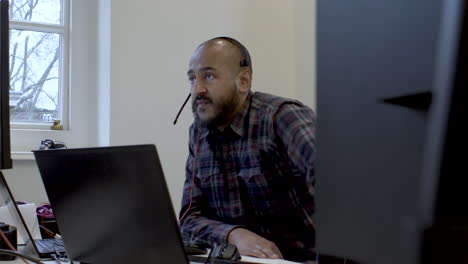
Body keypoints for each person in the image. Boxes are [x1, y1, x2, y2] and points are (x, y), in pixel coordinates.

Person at [179, 36, 316, 262]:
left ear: (243, 81)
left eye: (209, 76)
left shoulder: (282, 117)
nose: (197, 89)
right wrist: (233, 235)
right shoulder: (198, 134)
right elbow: (188, 219)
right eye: (192, 78)